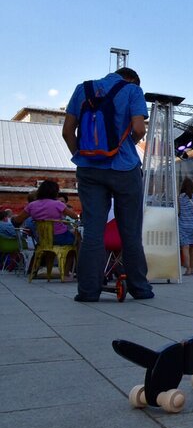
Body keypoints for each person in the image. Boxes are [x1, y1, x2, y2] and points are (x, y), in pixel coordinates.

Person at [61, 67, 154, 302]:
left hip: (89, 169)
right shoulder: (132, 90)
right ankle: (140, 289)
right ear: (132, 79)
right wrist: (126, 146)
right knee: (130, 232)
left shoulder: (83, 89)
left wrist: (81, 157)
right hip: (124, 169)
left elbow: (67, 131)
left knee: (92, 231)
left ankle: (88, 291)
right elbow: (139, 128)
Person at [12, 180, 79, 247]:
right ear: (55, 192)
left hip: (41, 238)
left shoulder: (31, 205)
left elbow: (18, 220)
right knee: (78, 236)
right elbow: (74, 216)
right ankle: (76, 256)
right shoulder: (58, 204)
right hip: (60, 237)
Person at [178, 177, 193, 276]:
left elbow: (178, 212)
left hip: (183, 225)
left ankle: (187, 269)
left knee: (185, 246)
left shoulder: (179, 197)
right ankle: (192, 268)